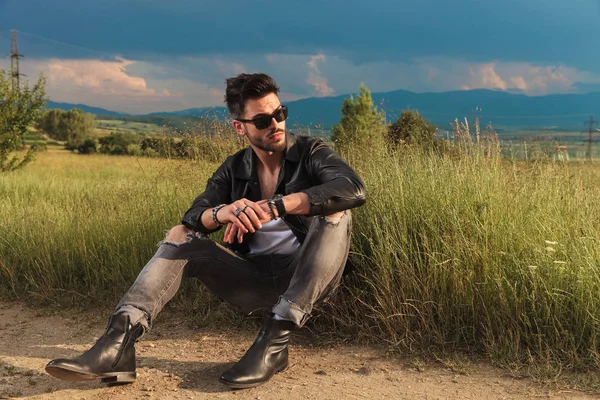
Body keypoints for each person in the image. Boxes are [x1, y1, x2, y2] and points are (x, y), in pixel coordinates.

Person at [45, 73, 366, 389]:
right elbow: (194, 215)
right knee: (180, 233)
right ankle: (117, 344)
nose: (276, 125)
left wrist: (278, 205)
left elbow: (353, 188)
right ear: (240, 127)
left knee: (336, 209)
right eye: (263, 120)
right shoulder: (234, 168)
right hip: (254, 281)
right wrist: (225, 211)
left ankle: (274, 343)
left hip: (308, 276)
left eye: (279, 114)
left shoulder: (310, 152)